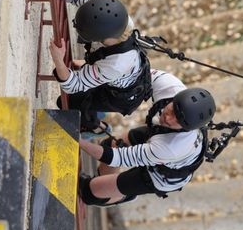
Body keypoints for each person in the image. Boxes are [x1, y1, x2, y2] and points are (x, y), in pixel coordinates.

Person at [77, 69, 216, 206]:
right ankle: (107, 186)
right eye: (173, 110)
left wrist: (76, 139)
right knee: (110, 145)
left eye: (179, 121)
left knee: (88, 192)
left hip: (162, 175)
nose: (168, 118)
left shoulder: (171, 147)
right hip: (161, 134)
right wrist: (91, 70)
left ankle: (123, 194)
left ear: (186, 128)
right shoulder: (170, 85)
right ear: (176, 97)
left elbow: (117, 157)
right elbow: (132, 71)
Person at [49, 0, 152, 135]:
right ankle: (95, 99)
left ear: (97, 37)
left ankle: (95, 127)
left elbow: (73, 85)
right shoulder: (112, 14)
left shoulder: (116, 64)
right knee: (88, 78)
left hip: (120, 95)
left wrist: (58, 59)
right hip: (116, 71)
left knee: (70, 102)